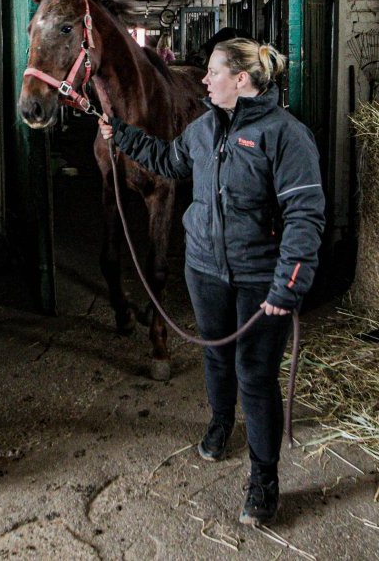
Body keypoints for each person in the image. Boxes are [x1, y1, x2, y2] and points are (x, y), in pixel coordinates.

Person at [98, 39, 325, 526]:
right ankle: (222, 423)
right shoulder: (203, 129)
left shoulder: (286, 136)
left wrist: (289, 286)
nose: (203, 80)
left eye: (212, 73)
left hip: (258, 276)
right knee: (215, 356)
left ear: (240, 80)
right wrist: (121, 135)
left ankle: (264, 477)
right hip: (204, 269)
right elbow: (168, 160)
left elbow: (306, 216)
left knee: (256, 376)